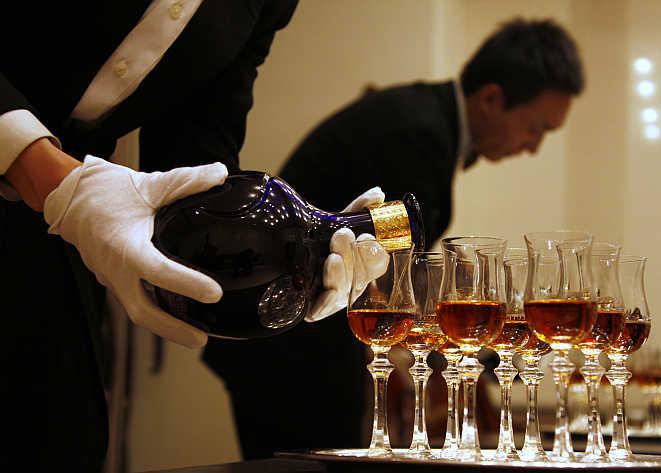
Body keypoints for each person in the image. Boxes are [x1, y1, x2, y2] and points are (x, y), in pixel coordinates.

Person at [1, 2, 390, 471]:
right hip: (63, 192)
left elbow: (197, 157)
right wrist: (47, 172)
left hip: (55, 226)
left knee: (60, 432)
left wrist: (301, 262)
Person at [202, 17, 585, 457]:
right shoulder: (415, 138)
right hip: (291, 355)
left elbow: (397, 257)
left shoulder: (423, 121)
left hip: (299, 346)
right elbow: (399, 271)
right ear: (492, 98)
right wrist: (475, 355)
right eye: (536, 128)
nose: (533, 147)